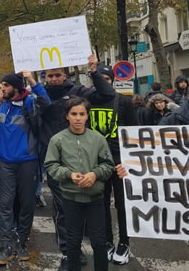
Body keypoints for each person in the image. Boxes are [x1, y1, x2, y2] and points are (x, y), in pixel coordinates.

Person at [39, 55, 116, 270]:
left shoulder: (78, 91)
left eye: (57, 75)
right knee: (62, 210)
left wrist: (93, 72)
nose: (54, 79)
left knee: (90, 216)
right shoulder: (40, 94)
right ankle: (68, 253)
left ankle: (91, 247)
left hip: (87, 164)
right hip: (58, 163)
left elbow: (107, 93)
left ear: (65, 75)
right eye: (50, 75)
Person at [0, 70, 50, 265]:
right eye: (1, 86)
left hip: (27, 161)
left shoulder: (28, 102)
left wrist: (33, 81)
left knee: (26, 204)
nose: (2, 89)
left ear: (16, 88)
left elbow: (46, 102)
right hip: (5, 162)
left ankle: (22, 242)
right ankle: (4, 245)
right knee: (5, 205)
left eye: (6, 86)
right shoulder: (0, 102)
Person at [89, 64, 138, 265]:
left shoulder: (124, 101)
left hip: (120, 163)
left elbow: (135, 134)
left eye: (106, 79)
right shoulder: (88, 101)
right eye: (99, 79)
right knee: (101, 204)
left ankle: (124, 243)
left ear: (112, 81)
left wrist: (130, 163)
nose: (102, 83)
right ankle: (107, 241)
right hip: (97, 162)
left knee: (121, 204)